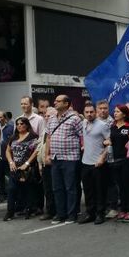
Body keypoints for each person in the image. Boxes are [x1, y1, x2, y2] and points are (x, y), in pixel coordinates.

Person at [46, 95, 83, 225]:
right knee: (57, 188)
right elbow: (48, 137)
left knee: (70, 187)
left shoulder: (75, 118)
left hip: (70, 158)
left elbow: (82, 136)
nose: (55, 102)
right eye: (55, 100)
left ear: (66, 103)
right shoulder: (51, 119)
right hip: (55, 157)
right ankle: (60, 214)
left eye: (58, 101)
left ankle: (71, 214)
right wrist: (47, 154)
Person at [80, 103, 110, 225]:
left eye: (91, 112)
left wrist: (102, 157)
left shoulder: (103, 125)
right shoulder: (84, 123)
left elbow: (110, 142)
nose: (89, 114)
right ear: (84, 113)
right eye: (87, 112)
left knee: (99, 190)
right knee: (88, 190)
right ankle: (90, 213)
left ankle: (100, 214)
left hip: (98, 163)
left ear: (95, 112)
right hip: (85, 162)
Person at [4, 117, 40, 221]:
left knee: (27, 190)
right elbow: (7, 151)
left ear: (27, 125)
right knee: (11, 189)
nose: (19, 126)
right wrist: (11, 162)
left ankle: (28, 210)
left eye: (22, 124)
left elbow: (37, 150)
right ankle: (10, 212)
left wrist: (27, 163)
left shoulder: (33, 136)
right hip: (15, 168)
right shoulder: (13, 137)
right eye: (18, 124)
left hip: (27, 168)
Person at [110, 105, 129, 222]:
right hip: (115, 160)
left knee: (128, 185)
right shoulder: (113, 126)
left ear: (124, 114)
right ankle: (123, 209)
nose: (115, 113)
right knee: (120, 185)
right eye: (114, 111)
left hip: (127, 160)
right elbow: (111, 140)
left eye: (118, 111)